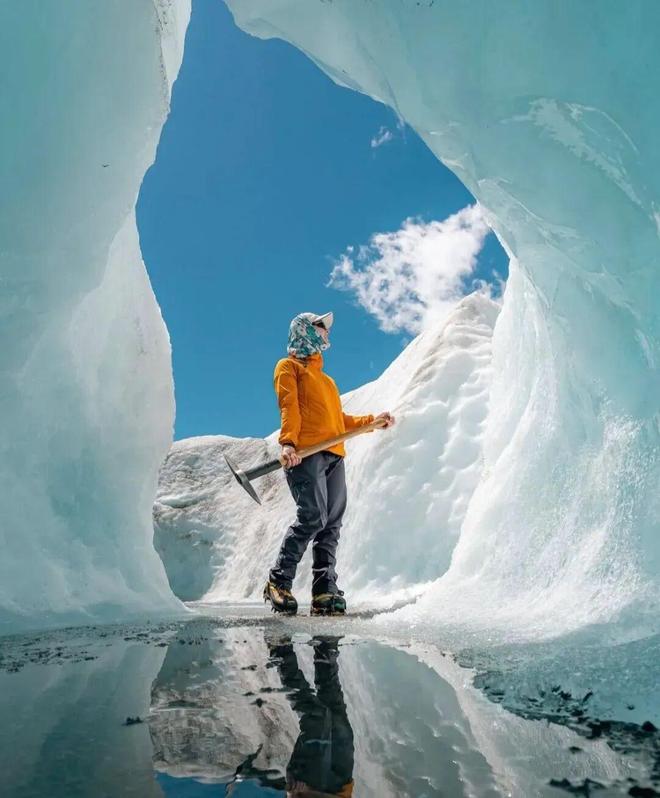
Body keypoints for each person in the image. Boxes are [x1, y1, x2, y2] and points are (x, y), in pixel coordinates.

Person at [264, 311, 394, 616]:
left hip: (334, 453)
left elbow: (339, 421)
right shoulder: (289, 367)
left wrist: (371, 421)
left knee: (331, 523)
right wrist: (289, 443)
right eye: (322, 328)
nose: (327, 334)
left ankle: (324, 590)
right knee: (312, 515)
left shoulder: (327, 381)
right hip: (305, 454)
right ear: (305, 330)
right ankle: (278, 581)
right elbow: (289, 407)